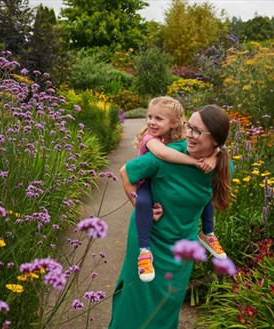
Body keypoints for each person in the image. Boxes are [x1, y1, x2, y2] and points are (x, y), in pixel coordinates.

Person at [109, 104, 232, 329]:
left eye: (197, 131)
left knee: (168, 304)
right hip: (149, 241)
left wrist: (215, 157)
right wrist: (139, 206)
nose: (189, 135)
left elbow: (209, 194)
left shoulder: (221, 166)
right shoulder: (164, 158)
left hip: (182, 246)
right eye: (189, 127)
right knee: (136, 301)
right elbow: (127, 172)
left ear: (215, 140)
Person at [132, 96, 223, 283]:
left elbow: (220, 146)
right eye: (149, 117)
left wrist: (213, 157)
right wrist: (195, 162)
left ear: (173, 123)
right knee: (141, 203)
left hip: (162, 182)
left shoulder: (180, 138)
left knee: (206, 191)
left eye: (158, 118)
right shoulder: (149, 137)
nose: (151, 122)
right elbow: (163, 153)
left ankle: (207, 232)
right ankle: (144, 251)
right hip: (145, 181)